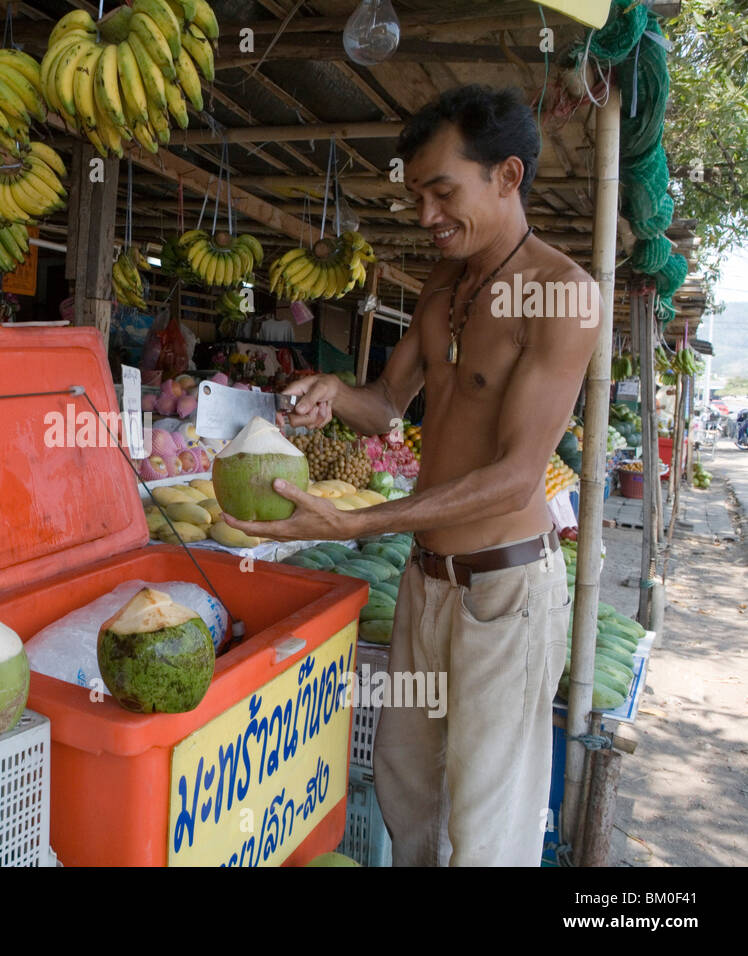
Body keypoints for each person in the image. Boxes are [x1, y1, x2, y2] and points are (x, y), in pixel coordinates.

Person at [224, 85, 602, 866]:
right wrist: (333, 394)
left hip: (505, 595)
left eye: (442, 192)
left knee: (487, 820)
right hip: (428, 583)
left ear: (507, 175)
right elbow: (387, 407)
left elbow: (514, 477)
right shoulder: (441, 284)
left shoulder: (563, 295)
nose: (426, 215)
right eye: (417, 196)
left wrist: (356, 524)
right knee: (406, 794)